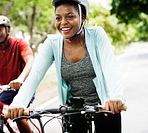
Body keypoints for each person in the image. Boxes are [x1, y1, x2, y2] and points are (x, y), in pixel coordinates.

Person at [7, 0, 126, 133]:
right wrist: (18, 103)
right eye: (58, 18)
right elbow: (35, 75)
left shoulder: (97, 35)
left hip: (105, 105)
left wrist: (116, 97)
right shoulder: (52, 44)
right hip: (73, 109)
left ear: (83, 18)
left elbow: (111, 68)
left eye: (70, 16)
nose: (63, 22)